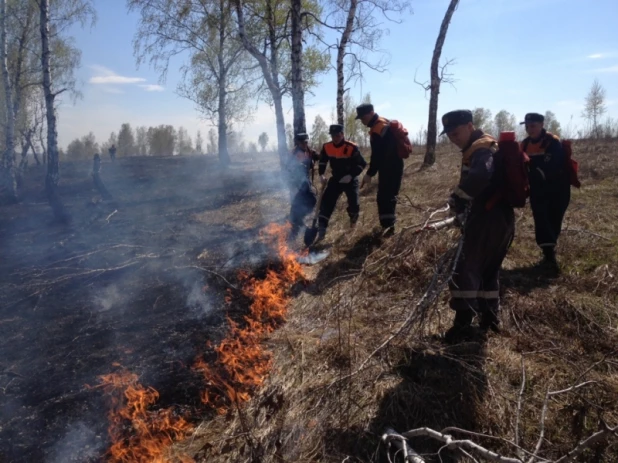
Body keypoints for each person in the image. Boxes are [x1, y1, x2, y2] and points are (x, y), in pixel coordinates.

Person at [441, 109, 515, 342]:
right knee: (488, 269)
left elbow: (481, 177)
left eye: (457, 132)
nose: (454, 138)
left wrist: (458, 198)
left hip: (487, 218)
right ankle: (489, 317)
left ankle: (463, 324)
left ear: (470, 126)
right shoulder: (485, 145)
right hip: (501, 219)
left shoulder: (481, 148)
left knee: (464, 267)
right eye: (450, 135)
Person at [520, 112, 571, 269]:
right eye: (527, 126)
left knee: (554, 218)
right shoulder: (525, 144)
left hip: (558, 187)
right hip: (538, 189)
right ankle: (548, 255)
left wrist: (534, 171)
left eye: (533, 126)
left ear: (542, 125)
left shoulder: (552, 142)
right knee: (541, 218)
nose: (529, 129)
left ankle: (550, 251)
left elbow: (552, 166)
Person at [357, 103, 405, 236]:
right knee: (387, 197)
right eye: (360, 118)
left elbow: (377, 155)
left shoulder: (379, 128)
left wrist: (370, 173)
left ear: (371, 113)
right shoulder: (383, 123)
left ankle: (388, 229)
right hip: (393, 166)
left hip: (390, 167)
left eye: (363, 117)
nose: (362, 121)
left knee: (385, 198)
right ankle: (388, 227)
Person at [316, 124, 367, 241]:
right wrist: (321, 174)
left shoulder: (351, 147)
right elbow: (323, 161)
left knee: (354, 203)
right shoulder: (327, 147)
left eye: (338, 135)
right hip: (336, 179)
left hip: (350, 179)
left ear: (342, 134)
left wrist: (351, 175)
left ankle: (353, 225)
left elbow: (362, 164)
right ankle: (321, 230)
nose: (335, 138)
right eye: (333, 135)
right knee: (326, 203)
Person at [286, 133, 319, 240]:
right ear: (298, 143)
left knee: (311, 200)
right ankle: (294, 228)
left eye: (306, 142)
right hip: (296, 182)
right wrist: (292, 186)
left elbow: (320, 157)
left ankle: (298, 221)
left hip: (306, 180)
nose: (304, 144)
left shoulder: (310, 151)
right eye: (302, 142)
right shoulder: (293, 154)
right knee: (298, 204)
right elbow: (288, 169)